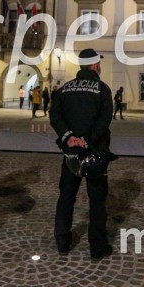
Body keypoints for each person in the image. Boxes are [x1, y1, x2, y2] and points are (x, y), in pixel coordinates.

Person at [50, 48, 114, 259]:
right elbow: (104, 120)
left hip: (70, 154)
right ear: (95, 65)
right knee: (97, 201)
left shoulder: (65, 88)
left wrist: (69, 136)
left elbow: (54, 114)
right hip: (94, 154)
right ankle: (97, 247)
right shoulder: (102, 88)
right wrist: (87, 139)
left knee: (66, 197)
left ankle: (62, 242)